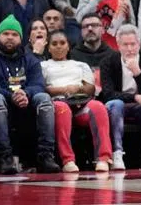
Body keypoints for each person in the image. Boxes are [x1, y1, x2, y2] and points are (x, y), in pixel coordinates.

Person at [0, 15, 59, 173]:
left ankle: (46, 156)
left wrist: (26, 93)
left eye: (14, 34)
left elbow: (38, 84)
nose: (10, 37)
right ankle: (5, 158)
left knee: (44, 98)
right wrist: (11, 96)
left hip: (26, 103)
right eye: (6, 34)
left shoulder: (30, 59)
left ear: (21, 38)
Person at [41, 30, 112, 172]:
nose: (59, 46)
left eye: (62, 43)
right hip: (57, 102)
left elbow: (90, 89)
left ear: (68, 46)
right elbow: (42, 88)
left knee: (98, 107)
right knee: (62, 108)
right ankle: (68, 160)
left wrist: (77, 88)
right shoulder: (43, 65)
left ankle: (103, 158)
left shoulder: (80, 65)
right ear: (48, 48)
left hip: (80, 103)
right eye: (54, 44)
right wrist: (63, 89)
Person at [101, 25, 141, 170]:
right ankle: (117, 152)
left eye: (133, 44)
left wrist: (137, 73)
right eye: (125, 44)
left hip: (139, 106)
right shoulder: (108, 62)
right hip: (118, 104)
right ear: (118, 45)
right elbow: (108, 94)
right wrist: (135, 97)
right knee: (116, 104)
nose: (129, 49)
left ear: (139, 44)